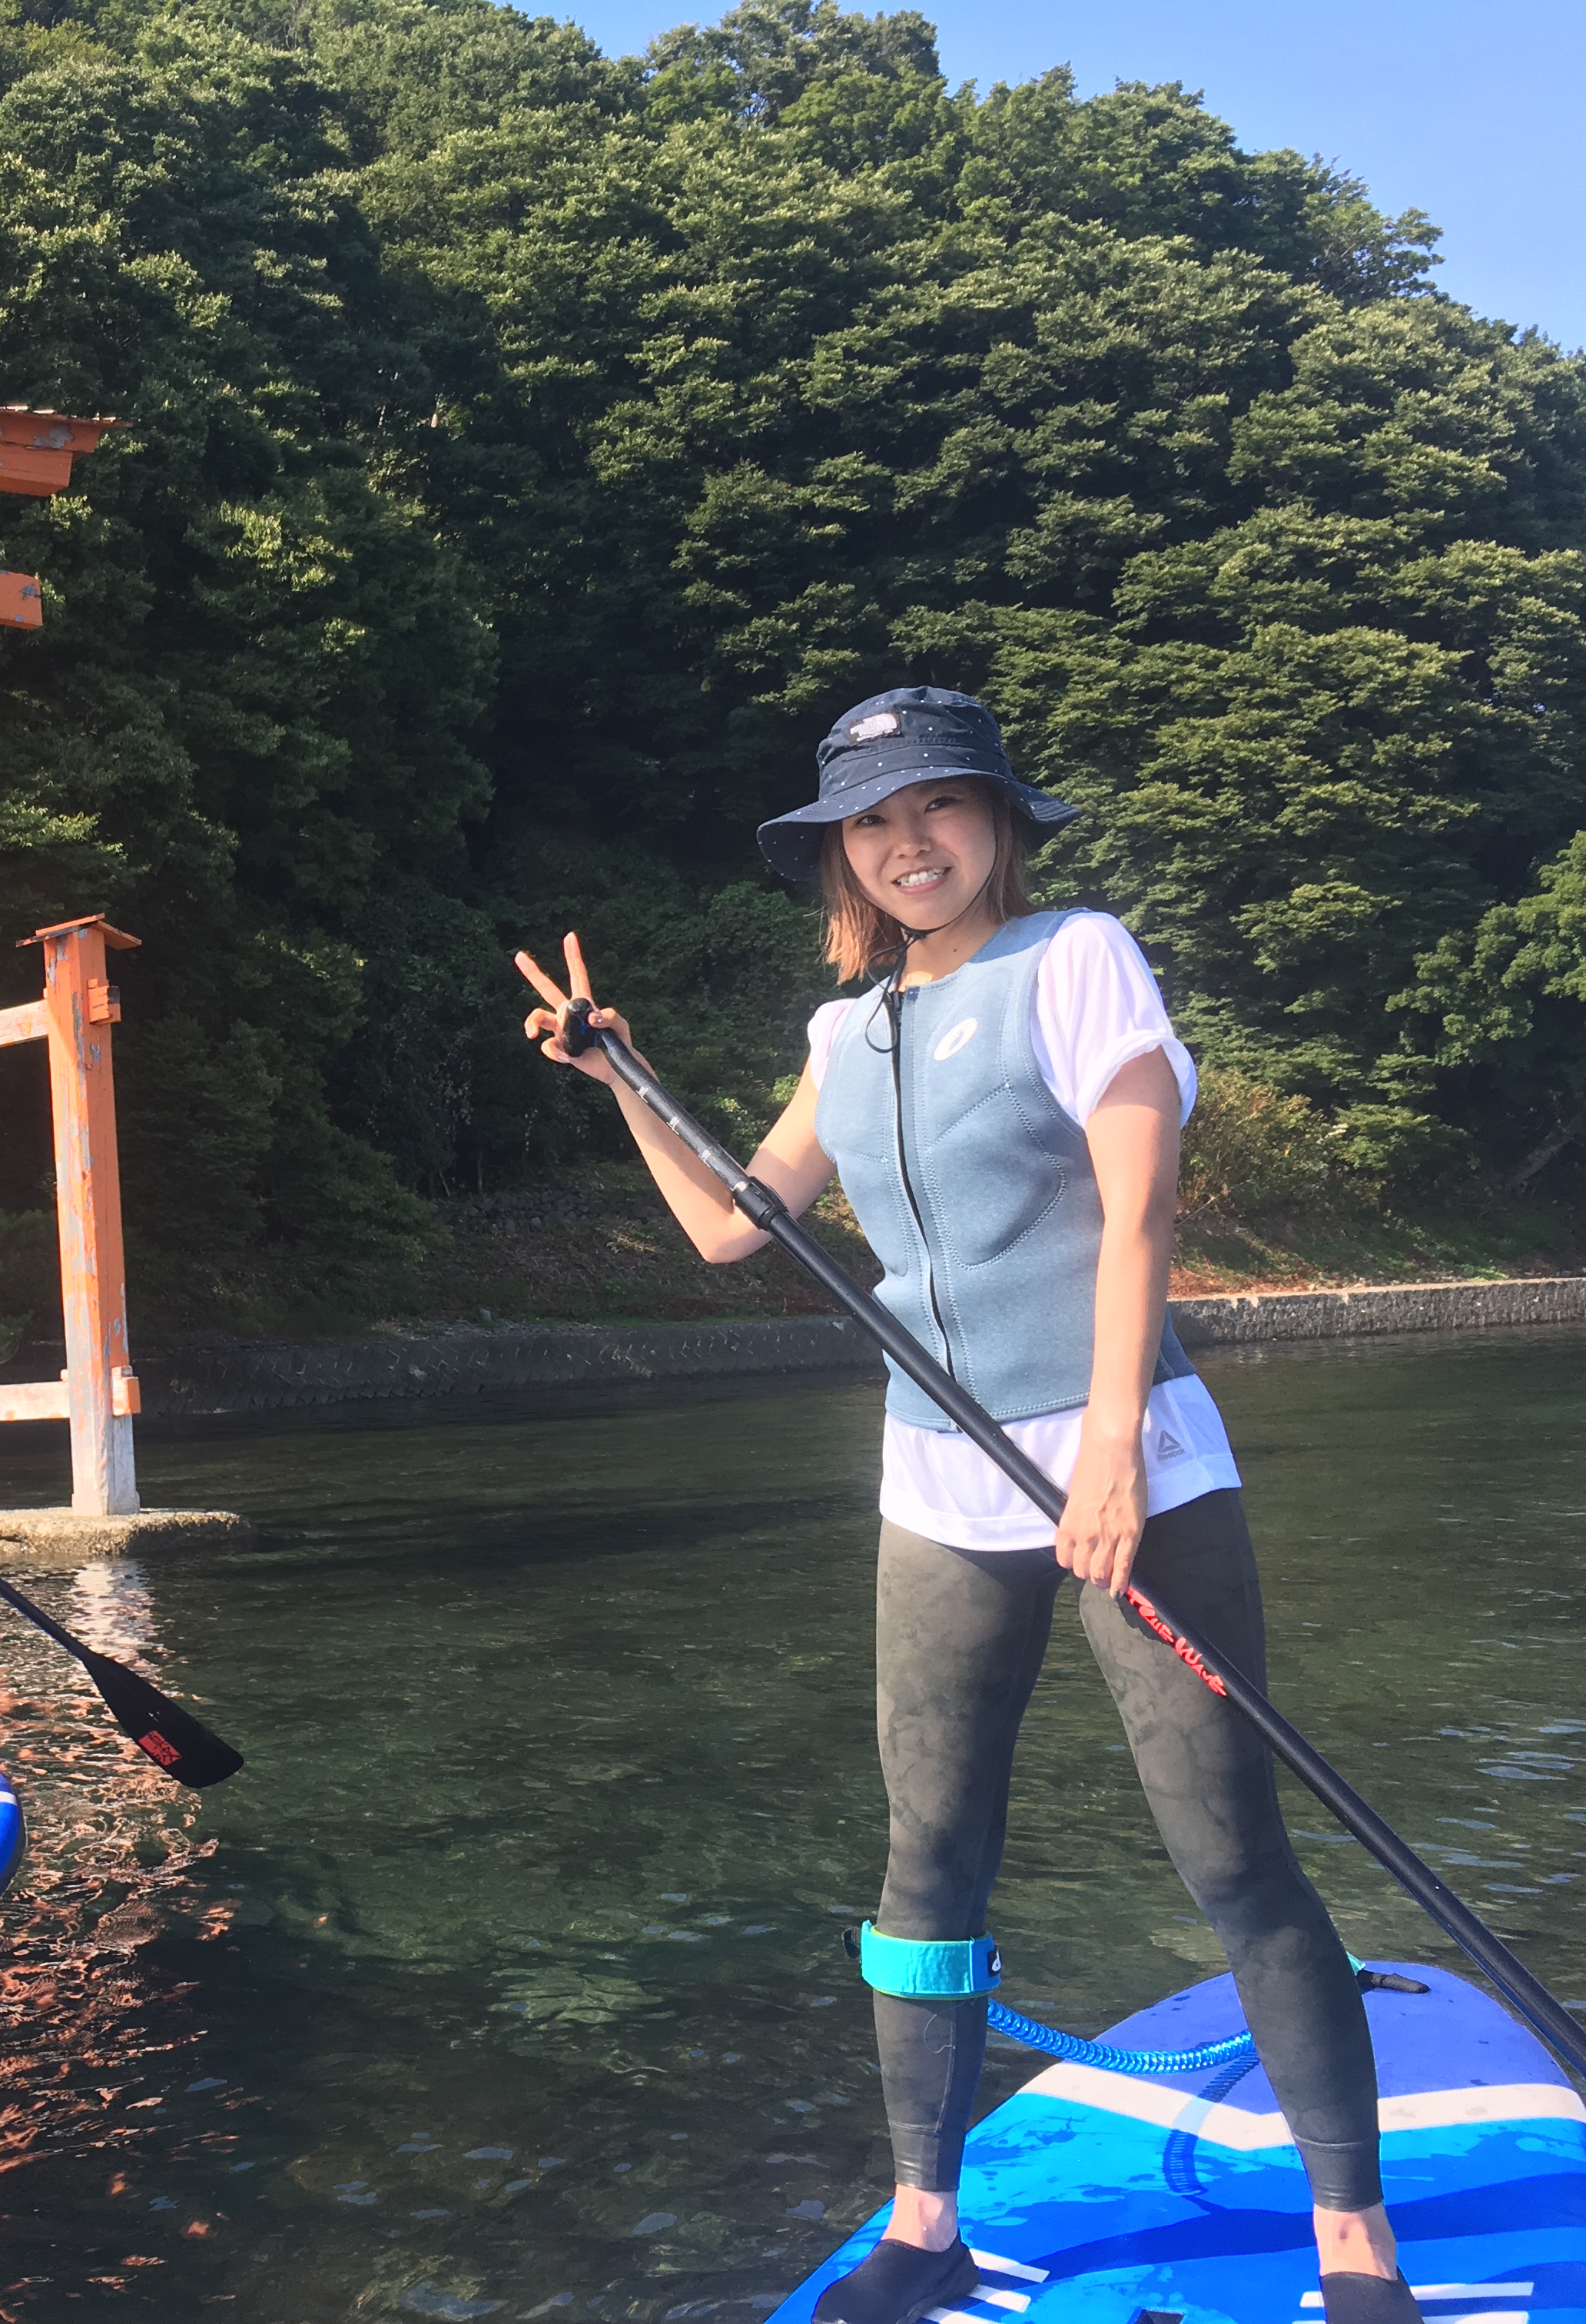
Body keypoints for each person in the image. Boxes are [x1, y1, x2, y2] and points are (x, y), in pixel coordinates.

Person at [516, 689, 1409, 2322]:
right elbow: (737, 1228)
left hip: (1129, 1458)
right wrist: (620, 1072)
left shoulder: (1078, 957)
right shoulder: (839, 1035)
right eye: (873, 820)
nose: (907, 841)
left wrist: (1117, 1451)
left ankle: (1355, 2242)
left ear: (996, 823)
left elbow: (1142, 1209)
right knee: (927, 1856)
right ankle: (927, 2225)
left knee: (1231, 1853)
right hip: (935, 1478)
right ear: (841, 858)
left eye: (936, 806)